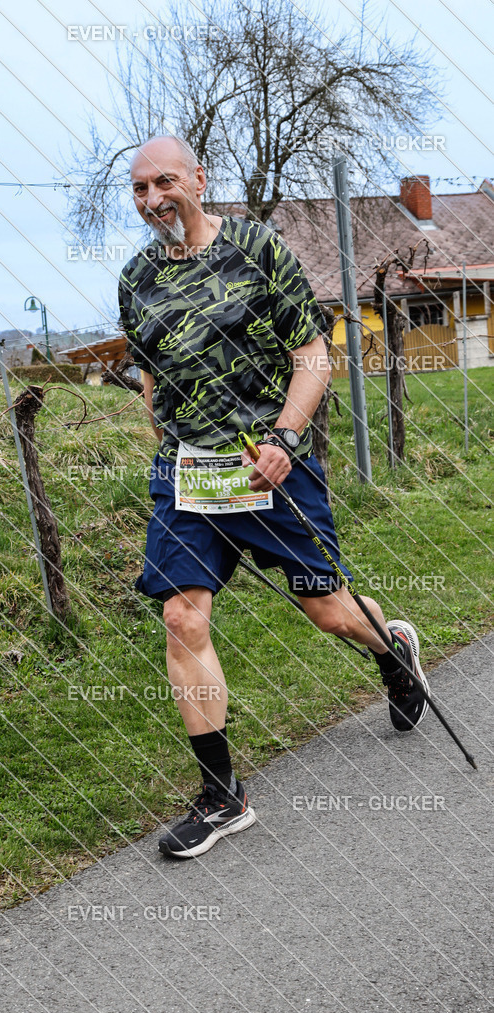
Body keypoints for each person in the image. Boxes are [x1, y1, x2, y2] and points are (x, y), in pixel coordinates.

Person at [117, 135, 429, 860]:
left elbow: (312, 354)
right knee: (181, 615)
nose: (153, 199)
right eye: (138, 190)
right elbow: (153, 378)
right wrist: (165, 447)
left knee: (328, 611)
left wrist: (287, 441)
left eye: (164, 182)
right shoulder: (136, 279)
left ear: (199, 179)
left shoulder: (258, 250)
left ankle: (393, 648)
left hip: (271, 462)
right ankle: (223, 797)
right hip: (188, 475)